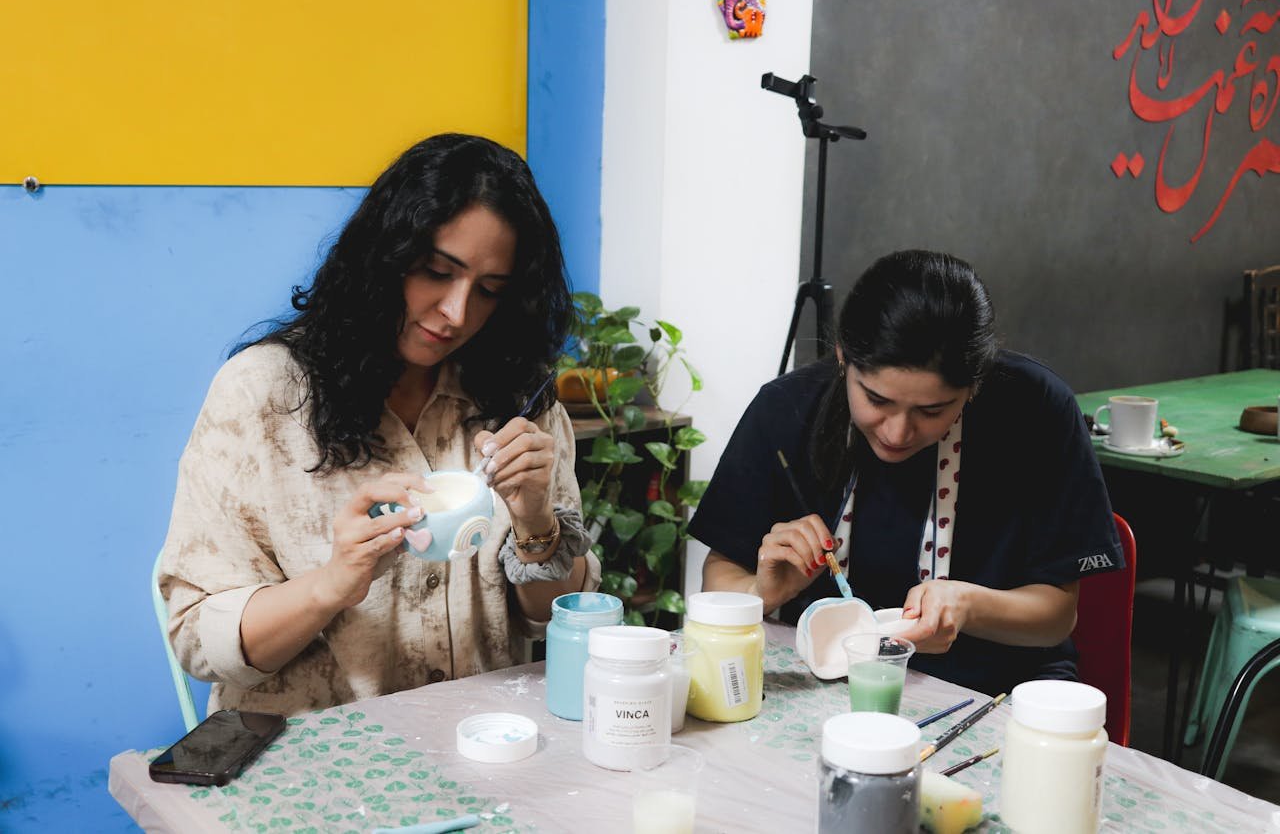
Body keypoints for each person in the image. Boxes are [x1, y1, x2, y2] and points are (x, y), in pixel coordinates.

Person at [159, 133, 600, 716]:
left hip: (485, 744)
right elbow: (196, 636)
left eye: (490, 291)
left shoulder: (519, 399)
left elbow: (550, 619)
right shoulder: (263, 394)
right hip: (313, 769)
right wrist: (332, 584)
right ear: (384, 258)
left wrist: (535, 520)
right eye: (436, 272)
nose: (457, 313)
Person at [690, 250, 1123, 695]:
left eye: (932, 410)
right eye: (876, 401)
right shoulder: (787, 410)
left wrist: (967, 605)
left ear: (974, 385)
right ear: (843, 357)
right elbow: (719, 577)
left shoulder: (1035, 410)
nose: (898, 432)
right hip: (825, 679)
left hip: (996, 689)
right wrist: (763, 591)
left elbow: (1054, 617)